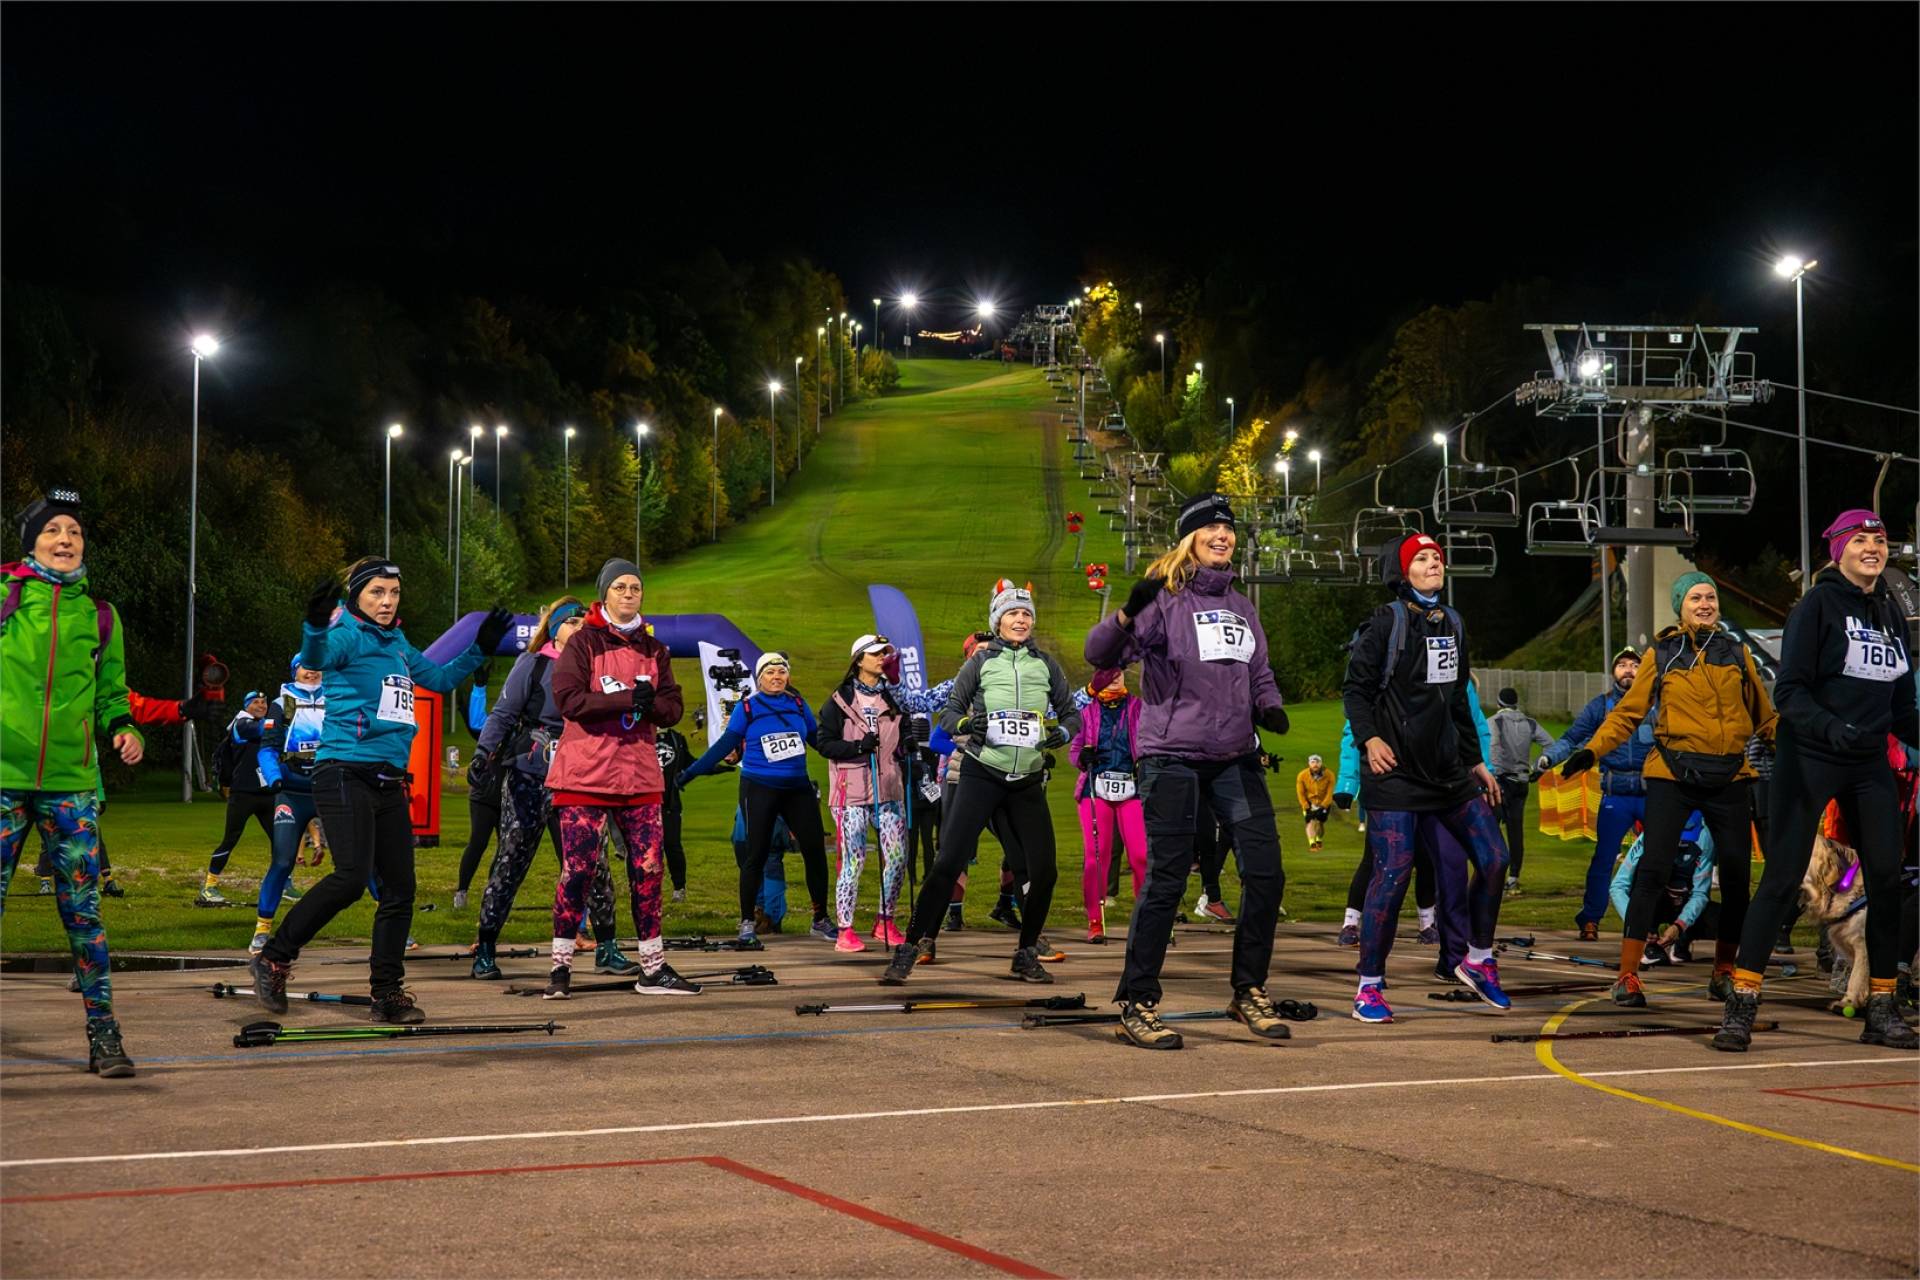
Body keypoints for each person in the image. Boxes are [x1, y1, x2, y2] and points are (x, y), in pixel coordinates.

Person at [250, 558, 508, 1021]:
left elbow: (439, 680)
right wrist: (314, 624)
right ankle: (274, 957)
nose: (387, 602)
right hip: (344, 771)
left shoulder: (397, 643)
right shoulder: (347, 634)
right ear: (356, 596)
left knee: (400, 889)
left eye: (394, 593)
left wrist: (480, 649)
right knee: (351, 878)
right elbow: (314, 658)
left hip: (389, 780)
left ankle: (386, 994)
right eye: (377, 593)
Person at [1084, 494, 1294, 1048]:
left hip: (1235, 759)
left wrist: (1269, 706)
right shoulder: (1164, 601)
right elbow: (1099, 655)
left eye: (1228, 528)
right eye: (1211, 528)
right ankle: (1137, 1002)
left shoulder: (1243, 606)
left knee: (1266, 872)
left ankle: (1248, 990)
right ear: (1190, 539)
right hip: (1172, 757)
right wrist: (1127, 612)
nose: (1223, 535)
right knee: (1168, 878)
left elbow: (1259, 669)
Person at [1717, 512, 1916, 1051]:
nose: (1872, 547)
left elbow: (1902, 708)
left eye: (1879, 540)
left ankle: (1881, 1009)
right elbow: (1789, 693)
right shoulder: (1816, 606)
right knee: (1782, 878)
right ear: (1837, 551)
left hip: (1868, 763)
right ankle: (1741, 1005)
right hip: (1811, 757)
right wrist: (1833, 728)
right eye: (1860, 540)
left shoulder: (1890, 613)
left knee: (1886, 880)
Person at [1561, 570, 1777, 1010]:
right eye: (1695, 598)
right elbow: (1627, 713)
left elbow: (1765, 718)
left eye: (1710, 597)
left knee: (1737, 879)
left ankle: (1723, 972)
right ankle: (1627, 976)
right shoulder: (1661, 653)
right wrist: (1591, 750)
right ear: (1680, 606)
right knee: (1652, 872)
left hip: (1730, 777)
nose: (1705, 604)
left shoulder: (1737, 653)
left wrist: (1800, 754)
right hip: (1671, 776)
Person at [0, 488, 143, 1076]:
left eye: (75, 531)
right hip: (2, 780)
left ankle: (104, 1033)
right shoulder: (5, 597)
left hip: (71, 786)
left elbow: (112, 693)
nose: (65, 540)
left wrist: (124, 727)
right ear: (31, 540)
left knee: (84, 914)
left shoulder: (100, 615)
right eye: (53, 529)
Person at [1343, 533, 1511, 1025]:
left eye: (1437, 556)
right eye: (1422, 558)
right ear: (1404, 572)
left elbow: (1457, 698)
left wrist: (1475, 760)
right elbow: (1355, 691)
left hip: (1447, 773)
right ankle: (1369, 986)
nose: (1434, 562)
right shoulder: (1385, 621)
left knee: (1495, 858)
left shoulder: (1453, 622)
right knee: (1393, 873)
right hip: (1394, 774)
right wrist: (1370, 739)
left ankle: (1478, 959)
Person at [883, 580, 1081, 985]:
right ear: (998, 620)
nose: (1021, 620)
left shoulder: (1046, 665)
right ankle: (912, 946)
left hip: (1026, 780)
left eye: (1026, 614)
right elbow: (948, 713)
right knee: (948, 862)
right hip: (981, 773)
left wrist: (1062, 733)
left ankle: (1026, 953)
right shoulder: (979, 663)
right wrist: (965, 725)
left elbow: (1071, 713)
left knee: (1044, 871)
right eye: (1012, 613)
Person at [541, 559, 696, 999]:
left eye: (635, 587)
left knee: (648, 869)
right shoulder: (583, 642)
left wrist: (650, 705)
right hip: (585, 775)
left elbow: (673, 708)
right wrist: (628, 699)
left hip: (640, 775)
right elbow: (569, 701)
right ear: (604, 594)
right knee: (578, 872)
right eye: (620, 587)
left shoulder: (656, 649)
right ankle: (560, 969)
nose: (629, 594)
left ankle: (653, 968)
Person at [468, 597, 633, 980]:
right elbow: (503, 714)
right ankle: (486, 949)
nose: (579, 628)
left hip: (580, 778)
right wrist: (482, 754)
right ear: (554, 629)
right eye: (571, 622)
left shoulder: (598, 667)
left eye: (584, 623)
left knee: (593, 864)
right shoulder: (534, 663)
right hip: (530, 777)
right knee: (511, 860)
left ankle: (607, 948)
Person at [680, 649, 836, 945]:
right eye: (770, 672)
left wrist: (852, 751)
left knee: (815, 851)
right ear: (759, 678)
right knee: (756, 854)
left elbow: (819, 741)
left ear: (788, 676)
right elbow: (724, 744)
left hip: (797, 788)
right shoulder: (748, 707)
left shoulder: (798, 704)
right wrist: (691, 772)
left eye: (782, 672)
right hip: (760, 787)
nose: (776, 677)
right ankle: (747, 922)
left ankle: (820, 918)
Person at [1540, 647, 1652, 940]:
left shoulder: (1657, 705)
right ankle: (1590, 919)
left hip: (1653, 794)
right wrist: (1548, 759)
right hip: (1616, 794)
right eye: (1622, 665)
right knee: (1604, 858)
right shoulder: (1600, 706)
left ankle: (1654, 923)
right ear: (1613, 672)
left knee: (1662, 860)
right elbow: (1571, 738)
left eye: (1635, 665)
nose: (1628, 670)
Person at [815, 635, 914, 952]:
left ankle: (885, 920)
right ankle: (845, 930)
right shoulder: (838, 701)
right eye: (875, 653)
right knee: (854, 860)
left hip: (888, 789)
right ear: (859, 660)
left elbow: (904, 735)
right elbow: (824, 744)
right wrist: (858, 747)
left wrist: (908, 745)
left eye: (885, 653)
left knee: (898, 856)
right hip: (851, 793)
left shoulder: (894, 697)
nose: (883, 658)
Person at [248, 658, 329, 953]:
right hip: (292, 793)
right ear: (294, 671)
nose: (311, 670)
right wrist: (274, 778)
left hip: (330, 790)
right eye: (304, 666)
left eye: (316, 665)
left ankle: (396, 931)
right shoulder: (281, 704)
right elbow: (268, 748)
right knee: (282, 861)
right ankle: (262, 930)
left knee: (362, 862)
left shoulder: (337, 696)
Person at [1070, 668, 1146, 943]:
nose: (1115, 680)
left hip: (1131, 789)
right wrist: (1083, 757)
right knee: (1097, 856)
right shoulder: (1087, 709)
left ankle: (1148, 919)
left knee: (1140, 855)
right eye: (1109, 676)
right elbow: (1074, 750)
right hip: (1095, 788)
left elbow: (1149, 740)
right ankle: (1095, 921)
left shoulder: (1138, 707)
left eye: (1119, 675)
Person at [197, 689, 276, 906]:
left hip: (267, 793)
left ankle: (282, 883)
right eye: (256, 702)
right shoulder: (241, 723)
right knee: (230, 839)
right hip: (243, 794)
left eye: (264, 702)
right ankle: (209, 886)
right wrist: (281, 719)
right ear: (246, 706)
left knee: (280, 841)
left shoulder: (262, 724)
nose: (261, 705)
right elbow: (261, 729)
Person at [1610, 811, 1716, 968]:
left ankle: (1680, 942)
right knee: (1643, 888)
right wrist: (1636, 925)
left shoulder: (1706, 839)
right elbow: (1618, 886)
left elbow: (1700, 893)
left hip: (1681, 900)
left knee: (1727, 922)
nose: (1682, 842)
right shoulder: (1648, 838)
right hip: (1652, 900)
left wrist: (1680, 925)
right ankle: (1647, 941)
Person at [1486, 687, 1552, 895]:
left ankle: (1492, 873)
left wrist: (1494, 773)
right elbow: (1550, 744)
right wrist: (1539, 768)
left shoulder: (1494, 722)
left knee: (1491, 829)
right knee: (1516, 831)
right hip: (1521, 781)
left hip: (1500, 782)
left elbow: (1492, 746)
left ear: (1498, 703)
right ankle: (1513, 877)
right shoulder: (1530, 723)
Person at [452, 664, 498, 909]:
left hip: (510, 794)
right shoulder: (493, 727)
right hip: (484, 794)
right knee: (478, 842)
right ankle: (462, 891)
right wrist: (479, 687)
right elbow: (477, 722)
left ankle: (494, 893)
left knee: (507, 847)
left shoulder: (526, 727)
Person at [656, 723, 692, 902]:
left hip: (670, 803)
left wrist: (711, 765)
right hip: (645, 803)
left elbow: (689, 763)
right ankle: (649, 889)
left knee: (672, 845)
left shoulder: (677, 739)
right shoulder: (641, 736)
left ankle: (679, 887)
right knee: (647, 849)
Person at [1295, 753, 1334, 852]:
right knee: (1310, 821)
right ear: (1309, 764)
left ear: (1321, 763)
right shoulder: (1302, 775)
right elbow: (1300, 793)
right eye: (1313, 762)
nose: (1315, 764)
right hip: (1309, 802)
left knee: (1320, 822)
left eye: (1317, 762)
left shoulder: (1329, 775)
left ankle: (1318, 839)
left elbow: (1330, 793)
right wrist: (1306, 807)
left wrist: (1323, 806)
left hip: (1323, 802)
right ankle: (1312, 843)